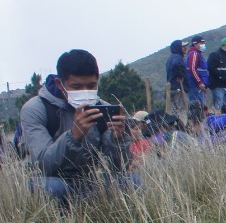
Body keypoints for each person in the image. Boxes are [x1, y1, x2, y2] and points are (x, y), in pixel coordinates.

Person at [18, 49, 135, 202]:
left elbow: (116, 168)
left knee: (133, 182)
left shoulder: (102, 109)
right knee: (53, 188)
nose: (85, 92)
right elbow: (42, 166)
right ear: (60, 84)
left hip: (89, 183)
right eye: (77, 87)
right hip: (51, 181)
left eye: (91, 86)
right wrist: (73, 137)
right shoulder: (35, 109)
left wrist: (118, 140)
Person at [207, 38, 226, 112]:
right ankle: (218, 122)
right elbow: (211, 68)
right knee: (219, 107)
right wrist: (222, 77)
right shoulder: (214, 55)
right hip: (218, 87)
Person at [164, 40, 188, 120]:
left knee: (174, 110)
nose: (185, 48)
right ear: (178, 48)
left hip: (172, 88)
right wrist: (180, 75)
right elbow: (176, 64)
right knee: (181, 109)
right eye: (183, 46)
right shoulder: (178, 57)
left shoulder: (170, 57)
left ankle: (175, 125)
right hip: (178, 87)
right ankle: (181, 125)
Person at [185, 35, 210, 108]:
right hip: (195, 85)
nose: (203, 45)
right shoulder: (194, 54)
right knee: (196, 106)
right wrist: (200, 82)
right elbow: (192, 69)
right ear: (195, 44)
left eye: (203, 43)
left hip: (199, 86)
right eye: (201, 43)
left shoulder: (198, 54)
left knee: (200, 106)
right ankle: (194, 118)